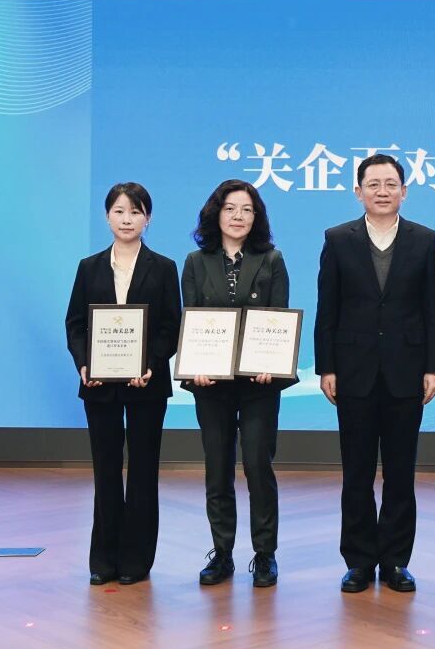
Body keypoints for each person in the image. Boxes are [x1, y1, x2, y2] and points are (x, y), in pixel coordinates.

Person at [315, 154, 435, 594]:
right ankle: (358, 561)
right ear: (359, 192)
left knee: (400, 473)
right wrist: (327, 366)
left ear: (404, 191)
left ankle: (395, 561)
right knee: (356, 472)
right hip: (353, 371)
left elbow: (434, 308)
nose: (383, 191)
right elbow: (328, 309)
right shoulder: (338, 239)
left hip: (407, 371)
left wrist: (434, 366)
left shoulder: (424, 239)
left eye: (391, 184)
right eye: (374, 184)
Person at [65, 182, 182, 586]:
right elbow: (75, 324)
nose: (127, 219)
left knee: (144, 470)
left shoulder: (163, 267)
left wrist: (150, 363)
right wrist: (84, 364)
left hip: (147, 383)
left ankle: (136, 561)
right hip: (99, 385)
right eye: (119, 211)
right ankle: (103, 559)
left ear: (148, 218)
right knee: (106, 470)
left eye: (135, 212)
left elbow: (171, 326)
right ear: (107, 217)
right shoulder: (89, 267)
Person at [181, 179, 292, 588]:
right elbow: (191, 318)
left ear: (256, 216)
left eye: (247, 209)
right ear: (216, 213)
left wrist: (272, 363)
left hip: (259, 384)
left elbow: (278, 318)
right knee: (217, 469)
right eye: (230, 208)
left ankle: (265, 554)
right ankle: (222, 553)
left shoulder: (272, 259)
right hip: (211, 384)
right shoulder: (196, 261)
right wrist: (195, 365)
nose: (238, 216)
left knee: (259, 467)